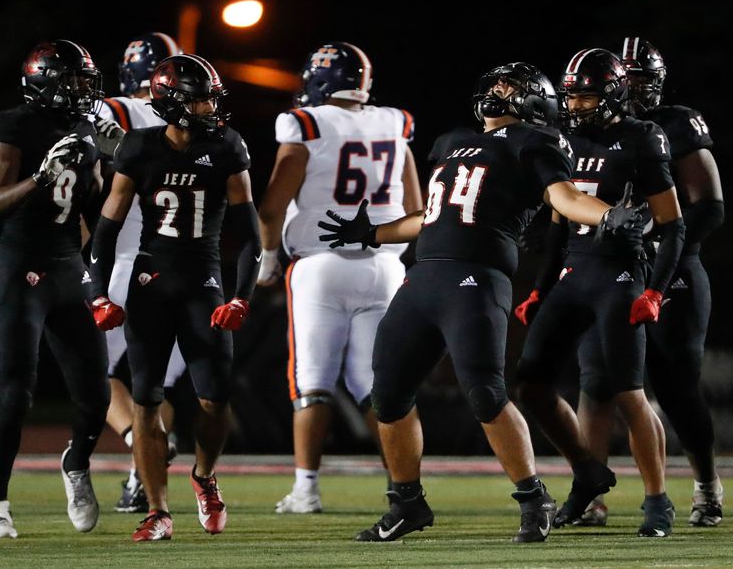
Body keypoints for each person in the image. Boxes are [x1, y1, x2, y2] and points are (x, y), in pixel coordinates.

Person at [318, 62, 644, 543]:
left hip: (477, 279)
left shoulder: (535, 142)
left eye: (509, 86)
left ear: (535, 102)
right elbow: (431, 216)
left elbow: (566, 197)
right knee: (387, 393)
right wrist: (373, 233)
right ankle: (407, 502)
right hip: (424, 275)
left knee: (485, 393)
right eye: (494, 83)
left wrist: (607, 216)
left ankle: (535, 499)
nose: (497, 90)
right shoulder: (451, 141)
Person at [86, 53, 261, 541]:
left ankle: (204, 476)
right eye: (203, 98)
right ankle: (157, 510)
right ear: (176, 103)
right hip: (151, 281)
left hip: (204, 280)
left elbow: (250, 236)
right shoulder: (139, 149)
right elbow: (107, 227)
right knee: (144, 398)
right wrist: (99, 294)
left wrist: (242, 296)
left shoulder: (228, 147)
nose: (212, 106)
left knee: (215, 397)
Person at [513, 48, 685, 537]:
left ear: (611, 93)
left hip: (619, 274)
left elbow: (673, 226)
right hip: (572, 271)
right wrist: (538, 288)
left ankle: (658, 500)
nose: (576, 105)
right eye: (572, 96)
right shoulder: (562, 138)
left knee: (628, 391)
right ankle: (589, 479)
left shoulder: (642, 138)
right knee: (531, 382)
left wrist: (655, 290)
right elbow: (557, 224)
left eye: (585, 95)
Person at [257, 41, 422, 514]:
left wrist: (269, 258)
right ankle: (403, 486)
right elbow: (416, 206)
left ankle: (306, 489)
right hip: (386, 265)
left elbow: (271, 206)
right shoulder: (395, 122)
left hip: (321, 265)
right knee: (380, 386)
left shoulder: (306, 123)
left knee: (311, 381)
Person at [572, 38, 725, 528]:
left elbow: (709, 205)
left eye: (641, 79)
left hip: (672, 270)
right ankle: (591, 493)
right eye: (626, 79)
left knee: (677, 385)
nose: (634, 89)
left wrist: (659, 244)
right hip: (612, 270)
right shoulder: (589, 131)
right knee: (597, 381)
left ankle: (705, 484)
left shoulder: (675, 124)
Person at [0, 39, 117, 539]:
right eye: (73, 80)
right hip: (21, 267)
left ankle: (75, 463)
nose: (82, 90)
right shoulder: (15, 125)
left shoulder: (81, 125)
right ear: (44, 82)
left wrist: (110, 153)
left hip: (67, 265)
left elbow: (96, 205)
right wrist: (41, 176)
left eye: (85, 80)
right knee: (17, 392)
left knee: (96, 395)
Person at [96, 31, 186, 514]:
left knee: (91, 365)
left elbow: (94, 183)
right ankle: (140, 478)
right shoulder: (199, 120)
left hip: (125, 260)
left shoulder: (115, 112)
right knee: (159, 383)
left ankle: (134, 435)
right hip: (187, 268)